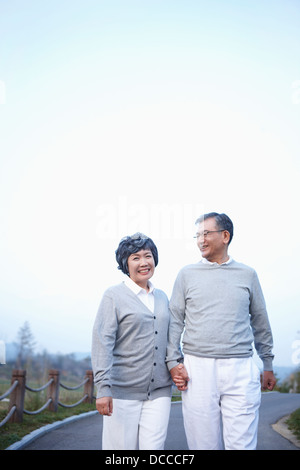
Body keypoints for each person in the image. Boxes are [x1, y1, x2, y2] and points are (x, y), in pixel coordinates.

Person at [167, 212, 276, 450]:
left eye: (206, 233)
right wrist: (173, 361)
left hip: (240, 368)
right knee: (202, 445)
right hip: (198, 368)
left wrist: (267, 363)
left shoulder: (247, 274)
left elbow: (260, 321)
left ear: (225, 236)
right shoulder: (186, 274)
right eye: (197, 235)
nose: (200, 240)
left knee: (242, 445)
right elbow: (175, 320)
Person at [91, 233, 174, 450]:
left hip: (159, 392)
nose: (144, 262)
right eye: (135, 258)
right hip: (122, 393)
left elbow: (171, 337)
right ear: (125, 264)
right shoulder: (114, 296)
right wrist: (103, 388)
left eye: (148, 256)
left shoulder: (162, 297)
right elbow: (103, 343)